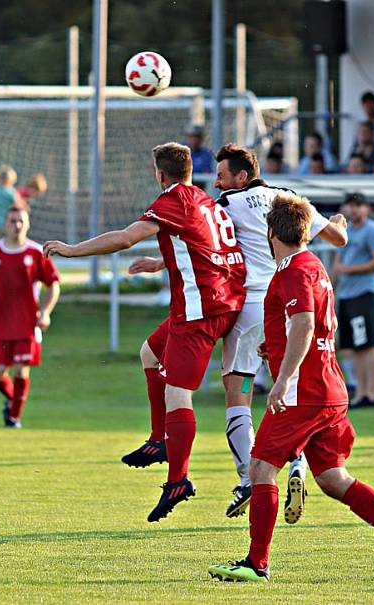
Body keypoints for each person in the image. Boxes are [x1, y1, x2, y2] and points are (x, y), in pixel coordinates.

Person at [207, 193, 374, 583]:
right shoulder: (314, 266)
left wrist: (284, 377)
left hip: (304, 393)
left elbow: (307, 324)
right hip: (328, 389)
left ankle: (256, 563)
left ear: (270, 231)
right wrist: (274, 345)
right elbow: (321, 326)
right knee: (332, 478)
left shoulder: (292, 270)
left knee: (260, 468)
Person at [126, 143, 348, 520]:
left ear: (241, 176)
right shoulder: (290, 199)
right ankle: (297, 465)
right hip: (292, 306)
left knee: (238, 392)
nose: (216, 183)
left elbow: (202, 244)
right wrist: (339, 222)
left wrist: (158, 262)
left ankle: (249, 475)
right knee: (289, 394)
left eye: (222, 176)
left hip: (249, 309)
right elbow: (338, 240)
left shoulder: (223, 206)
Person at [44, 142, 247, 523]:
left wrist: (71, 250)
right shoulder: (202, 199)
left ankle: (179, 480)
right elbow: (204, 246)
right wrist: (160, 262)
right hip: (220, 299)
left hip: (201, 310)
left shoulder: (173, 201)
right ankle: (160, 440)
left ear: (159, 173)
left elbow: (124, 238)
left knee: (178, 393)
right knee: (149, 354)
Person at [0, 206, 60, 429]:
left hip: (26, 323)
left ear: (28, 223)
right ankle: (13, 401)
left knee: (21, 370)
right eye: (13, 221)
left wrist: (46, 312)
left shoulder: (35, 252)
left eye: (21, 221)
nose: (17, 225)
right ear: (5, 223)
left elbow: (53, 284)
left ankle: (14, 418)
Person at [333, 193, 374, 408]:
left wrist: (349, 270)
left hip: (363, 295)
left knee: (367, 345)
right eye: (350, 205)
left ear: (366, 208)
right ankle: (360, 393)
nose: (353, 210)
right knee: (354, 347)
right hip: (346, 295)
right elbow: (338, 266)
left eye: (358, 206)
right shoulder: (345, 231)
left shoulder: (372, 230)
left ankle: (370, 394)